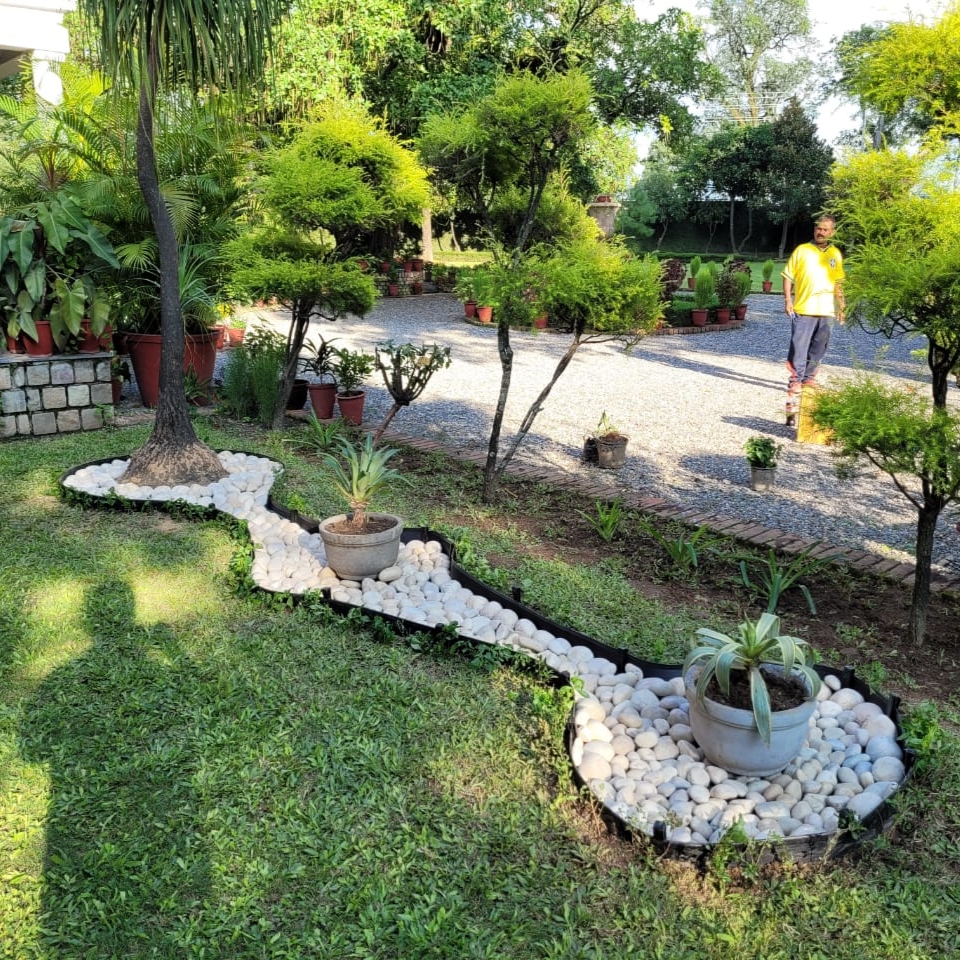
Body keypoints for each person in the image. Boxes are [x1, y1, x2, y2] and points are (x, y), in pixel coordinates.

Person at [781, 216, 846, 427]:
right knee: (799, 348)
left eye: (825, 229)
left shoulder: (835, 254)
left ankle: (809, 379)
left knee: (819, 348)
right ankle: (795, 383)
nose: (821, 232)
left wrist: (842, 306)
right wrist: (788, 300)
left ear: (832, 233)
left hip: (826, 312)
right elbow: (787, 276)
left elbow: (838, 283)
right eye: (818, 228)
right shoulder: (802, 250)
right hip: (803, 310)